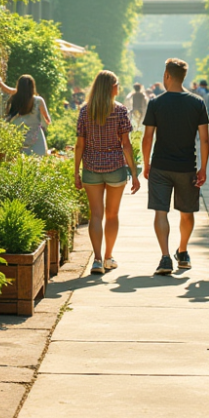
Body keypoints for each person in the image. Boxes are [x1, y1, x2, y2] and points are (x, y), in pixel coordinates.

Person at [141, 58, 209, 275]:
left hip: (160, 166)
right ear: (184, 77)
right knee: (187, 212)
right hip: (187, 166)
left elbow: (147, 137)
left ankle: (164, 258)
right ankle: (183, 251)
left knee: (161, 212)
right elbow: (205, 139)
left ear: (167, 76)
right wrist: (203, 168)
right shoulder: (197, 103)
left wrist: (146, 164)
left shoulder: (156, 103)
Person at [74, 71, 140, 275]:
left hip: (92, 168)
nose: (119, 87)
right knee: (112, 215)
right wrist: (134, 174)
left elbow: (79, 145)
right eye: (117, 84)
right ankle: (109, 257)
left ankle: (97, 259)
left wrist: (76, 171)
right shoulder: (120, 110)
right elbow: (126, 145)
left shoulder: (85, 111)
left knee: (96, 215)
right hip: (115, 169)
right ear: (111, 87)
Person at [0, 74, 51, 156]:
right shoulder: (38, 100)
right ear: (33, 86)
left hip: (18, 131)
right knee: (38, 156)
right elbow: (47, 119)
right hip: (35, 134)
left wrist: (0, 83)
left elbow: (8, 90)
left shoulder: (16, 97)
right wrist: (46, 123)